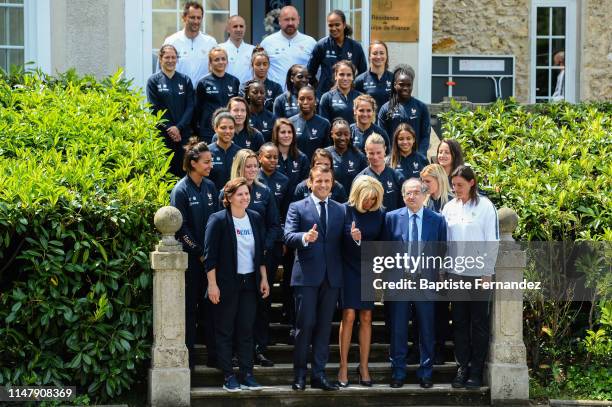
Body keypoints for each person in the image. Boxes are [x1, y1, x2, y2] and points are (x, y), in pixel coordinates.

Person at [204, 177, 270, 392]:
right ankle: (228, 375)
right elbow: (210, 256)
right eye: (240, 194)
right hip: (226, 284)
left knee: (246, 330)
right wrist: (212, 285)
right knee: (224, 330)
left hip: (249, 283)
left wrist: (264, 278)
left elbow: (259, 253)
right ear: (229, 197)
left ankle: (247, 374)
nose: (245, 198)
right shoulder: (218, 220)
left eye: (247, 194)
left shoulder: (255, 218)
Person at [284, 166, 346, 391]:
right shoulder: (297, 207)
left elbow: (345, 240)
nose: (323, 185)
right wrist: (305, 237)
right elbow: (288, 235)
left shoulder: (341, 209)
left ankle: (318, 375)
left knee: (323, 328)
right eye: (319, 181)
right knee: (305, 326)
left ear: (332, 183)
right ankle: (299, 375)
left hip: (331, 278)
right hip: (306, 278)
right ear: (310, 182)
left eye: (327, 181)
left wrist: (356, 238)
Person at [383, 178, 447, 389]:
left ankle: (426, 373)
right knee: (398, 330)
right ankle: (398, 373)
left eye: (416, 192)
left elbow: (442, 250)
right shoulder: (391, 218)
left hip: (425, 282)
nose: (412, 196)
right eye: (408, 193)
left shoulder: (436, 220)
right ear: (402, 196)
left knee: (427, 330)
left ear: (424, 195)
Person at [442, 165, 499, 389]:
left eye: (460, 185)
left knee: (479, 324)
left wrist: (487, 272)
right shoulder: (449, 208)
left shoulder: (486, 207)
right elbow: (445, 243)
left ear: (471, 183)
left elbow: (492, 241)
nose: (456, 189)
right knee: (459, 323)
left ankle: (476, 371)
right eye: (454, 185)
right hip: (455, 274)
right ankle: (462, 368)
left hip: (478, 276)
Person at [222, 149, 280, 367]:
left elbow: (275, 224)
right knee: (236, 308)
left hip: (262, 259)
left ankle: (259, 349)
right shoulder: (227, 191)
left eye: (255, 166)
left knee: (262, 305)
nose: (253, 170)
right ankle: (237, 351)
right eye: (249, 166)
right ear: (239, 166)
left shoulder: (265, 192)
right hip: (236, 261)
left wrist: (264, 246)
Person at [170, 138, 218, 369]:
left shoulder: (210, 186)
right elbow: (181, 228)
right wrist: (199, 252)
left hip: (210, 260)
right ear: (193, 162)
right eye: (207, 162)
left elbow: (217, 222)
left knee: (212, 307)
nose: (211, 165)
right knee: (190, 309)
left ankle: (214, 356)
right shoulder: (180, 190)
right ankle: (187, 360)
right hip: (192, 261)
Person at [337, 175, 385, 387]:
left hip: (369, 268)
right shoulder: (344, 210)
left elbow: (384, 244)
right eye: (367, 199)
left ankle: (363, 366)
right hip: (347, 267)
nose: (370, 203)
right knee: (348, 315)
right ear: (357, 195)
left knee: (366, 316)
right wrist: (352, 239)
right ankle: (343, 366)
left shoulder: (380, 213)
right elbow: (335, 243)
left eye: (374, 199)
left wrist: (362, 242)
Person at [420, 163, 454, 364]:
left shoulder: (451, 202)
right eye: (422, 181)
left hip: (447, 264)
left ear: (439, 180)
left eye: (427, 181)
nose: (424, 185)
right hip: (426, 265)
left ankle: (439, 349)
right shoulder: (425, 204)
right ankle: (425, 348)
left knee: (441, 310)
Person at [147, 44, 195, 177]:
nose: (170, 60)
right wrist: (170, 128)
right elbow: (154, 108)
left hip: (183, 135)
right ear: (160, 59)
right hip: (163, 135)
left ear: (177, 59)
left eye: (173, 57)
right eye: (167, 57)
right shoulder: (153, 81)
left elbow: (190, 107)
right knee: (164, 173)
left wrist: (178, 127)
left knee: (183, 171)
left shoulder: (185, 80)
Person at [307, 10, 367, 97]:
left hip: (349, 97)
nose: (334, 28)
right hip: (325, 95)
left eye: (337, 25)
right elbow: (310, 72)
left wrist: (351, 85)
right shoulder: (321, 45)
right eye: (330, 25)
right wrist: (319, 87)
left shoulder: (356, 47)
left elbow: (363, 73)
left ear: (344, 24)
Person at [378, 65, 431, 155]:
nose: (405, 88)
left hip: (416, 160)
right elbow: (382, 137)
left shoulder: (421, 107)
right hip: (393, 160)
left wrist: (419, 156)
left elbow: (425, 136)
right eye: (401, 84)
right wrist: (391, 156)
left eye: (409, 85)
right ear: (395, 85)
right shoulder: (386, 109)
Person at [260, 5, 316, 88]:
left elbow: (318, 72)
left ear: (298, 20)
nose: (290, 23)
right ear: (279, 21)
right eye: (286, 19)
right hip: (275, 96)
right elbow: (258, 69)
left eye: (293, 19)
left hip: (302, 97)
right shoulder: (267, 43)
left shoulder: (311, 43)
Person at [163, 1, 217, 87]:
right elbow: (161, 72)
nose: (196, 21)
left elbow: (217, 70)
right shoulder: (171, 42)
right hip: (179, 92)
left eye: (199, 18)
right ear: (184, 18)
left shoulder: (210, 42)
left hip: (203, 94)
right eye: (192, 17)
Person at [195, 47, 240, 142]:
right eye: (217, 59)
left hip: (228, 130)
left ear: (227, 62)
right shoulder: (203, 83)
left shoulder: (234, 81)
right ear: (210, 63)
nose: (221, 62)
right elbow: (197, 110)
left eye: (223, 59)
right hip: (208, 131)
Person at [356, 133, 404, 211]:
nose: (375, 157)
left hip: (392, 222)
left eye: (378, 153)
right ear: (366, 152)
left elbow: (403, 208)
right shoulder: (360, 179)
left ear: (384, 150)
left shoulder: (397, 177)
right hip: (370, 222)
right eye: (371, 153)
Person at [325, 118, 367, 193]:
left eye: (346, 134)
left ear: (350, 135)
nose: (343, 138)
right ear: (332, 134)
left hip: (352, 201)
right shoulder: (325, 154)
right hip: (331, 201)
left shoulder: (359, 156)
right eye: (338, 134)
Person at [290, 85, 331, 160]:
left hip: (317, 168)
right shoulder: (290, 123)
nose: (305, 102)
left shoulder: (324, 123)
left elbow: (327, 151)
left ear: (315, 101)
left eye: (310, 99)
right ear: (297, 101)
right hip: (295, 168)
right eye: (302, 99)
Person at [354, 41, 393, 115]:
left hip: (389, 124)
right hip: (368, 124)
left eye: (382, 53)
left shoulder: (394, 79)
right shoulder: (359, 81)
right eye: (375, 53)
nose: (378, 57)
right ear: (369, 56)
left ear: (386, 56)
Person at [319, 60, 362, 124]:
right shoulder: (327, 98)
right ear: (336, 76)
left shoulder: (360, 97)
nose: (345, 78)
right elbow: (324, 125)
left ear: (353, 77)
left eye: (349, 75)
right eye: (341, 74)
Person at [240, 47, 283, 112]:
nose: (262, 67)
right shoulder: (245, 86)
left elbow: (279, 110)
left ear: (269, 65)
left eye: (265, 64)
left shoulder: (276, 87)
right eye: (258, 64)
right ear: (252, 65)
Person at [208, 109, 241, 190]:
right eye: (223, 128)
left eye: (231, 128)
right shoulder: (207, 152)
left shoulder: (240, 153)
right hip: (212, 199)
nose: (228, 131)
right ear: (215, 128)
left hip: (234, 200)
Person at [220, 15, 255, 85]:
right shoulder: (220, 49)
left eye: (241, 26)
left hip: (247, 92)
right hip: (225, 90)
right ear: (228, 29)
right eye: (235, 26)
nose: (238, 29)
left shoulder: (253, 50)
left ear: (245, 28)